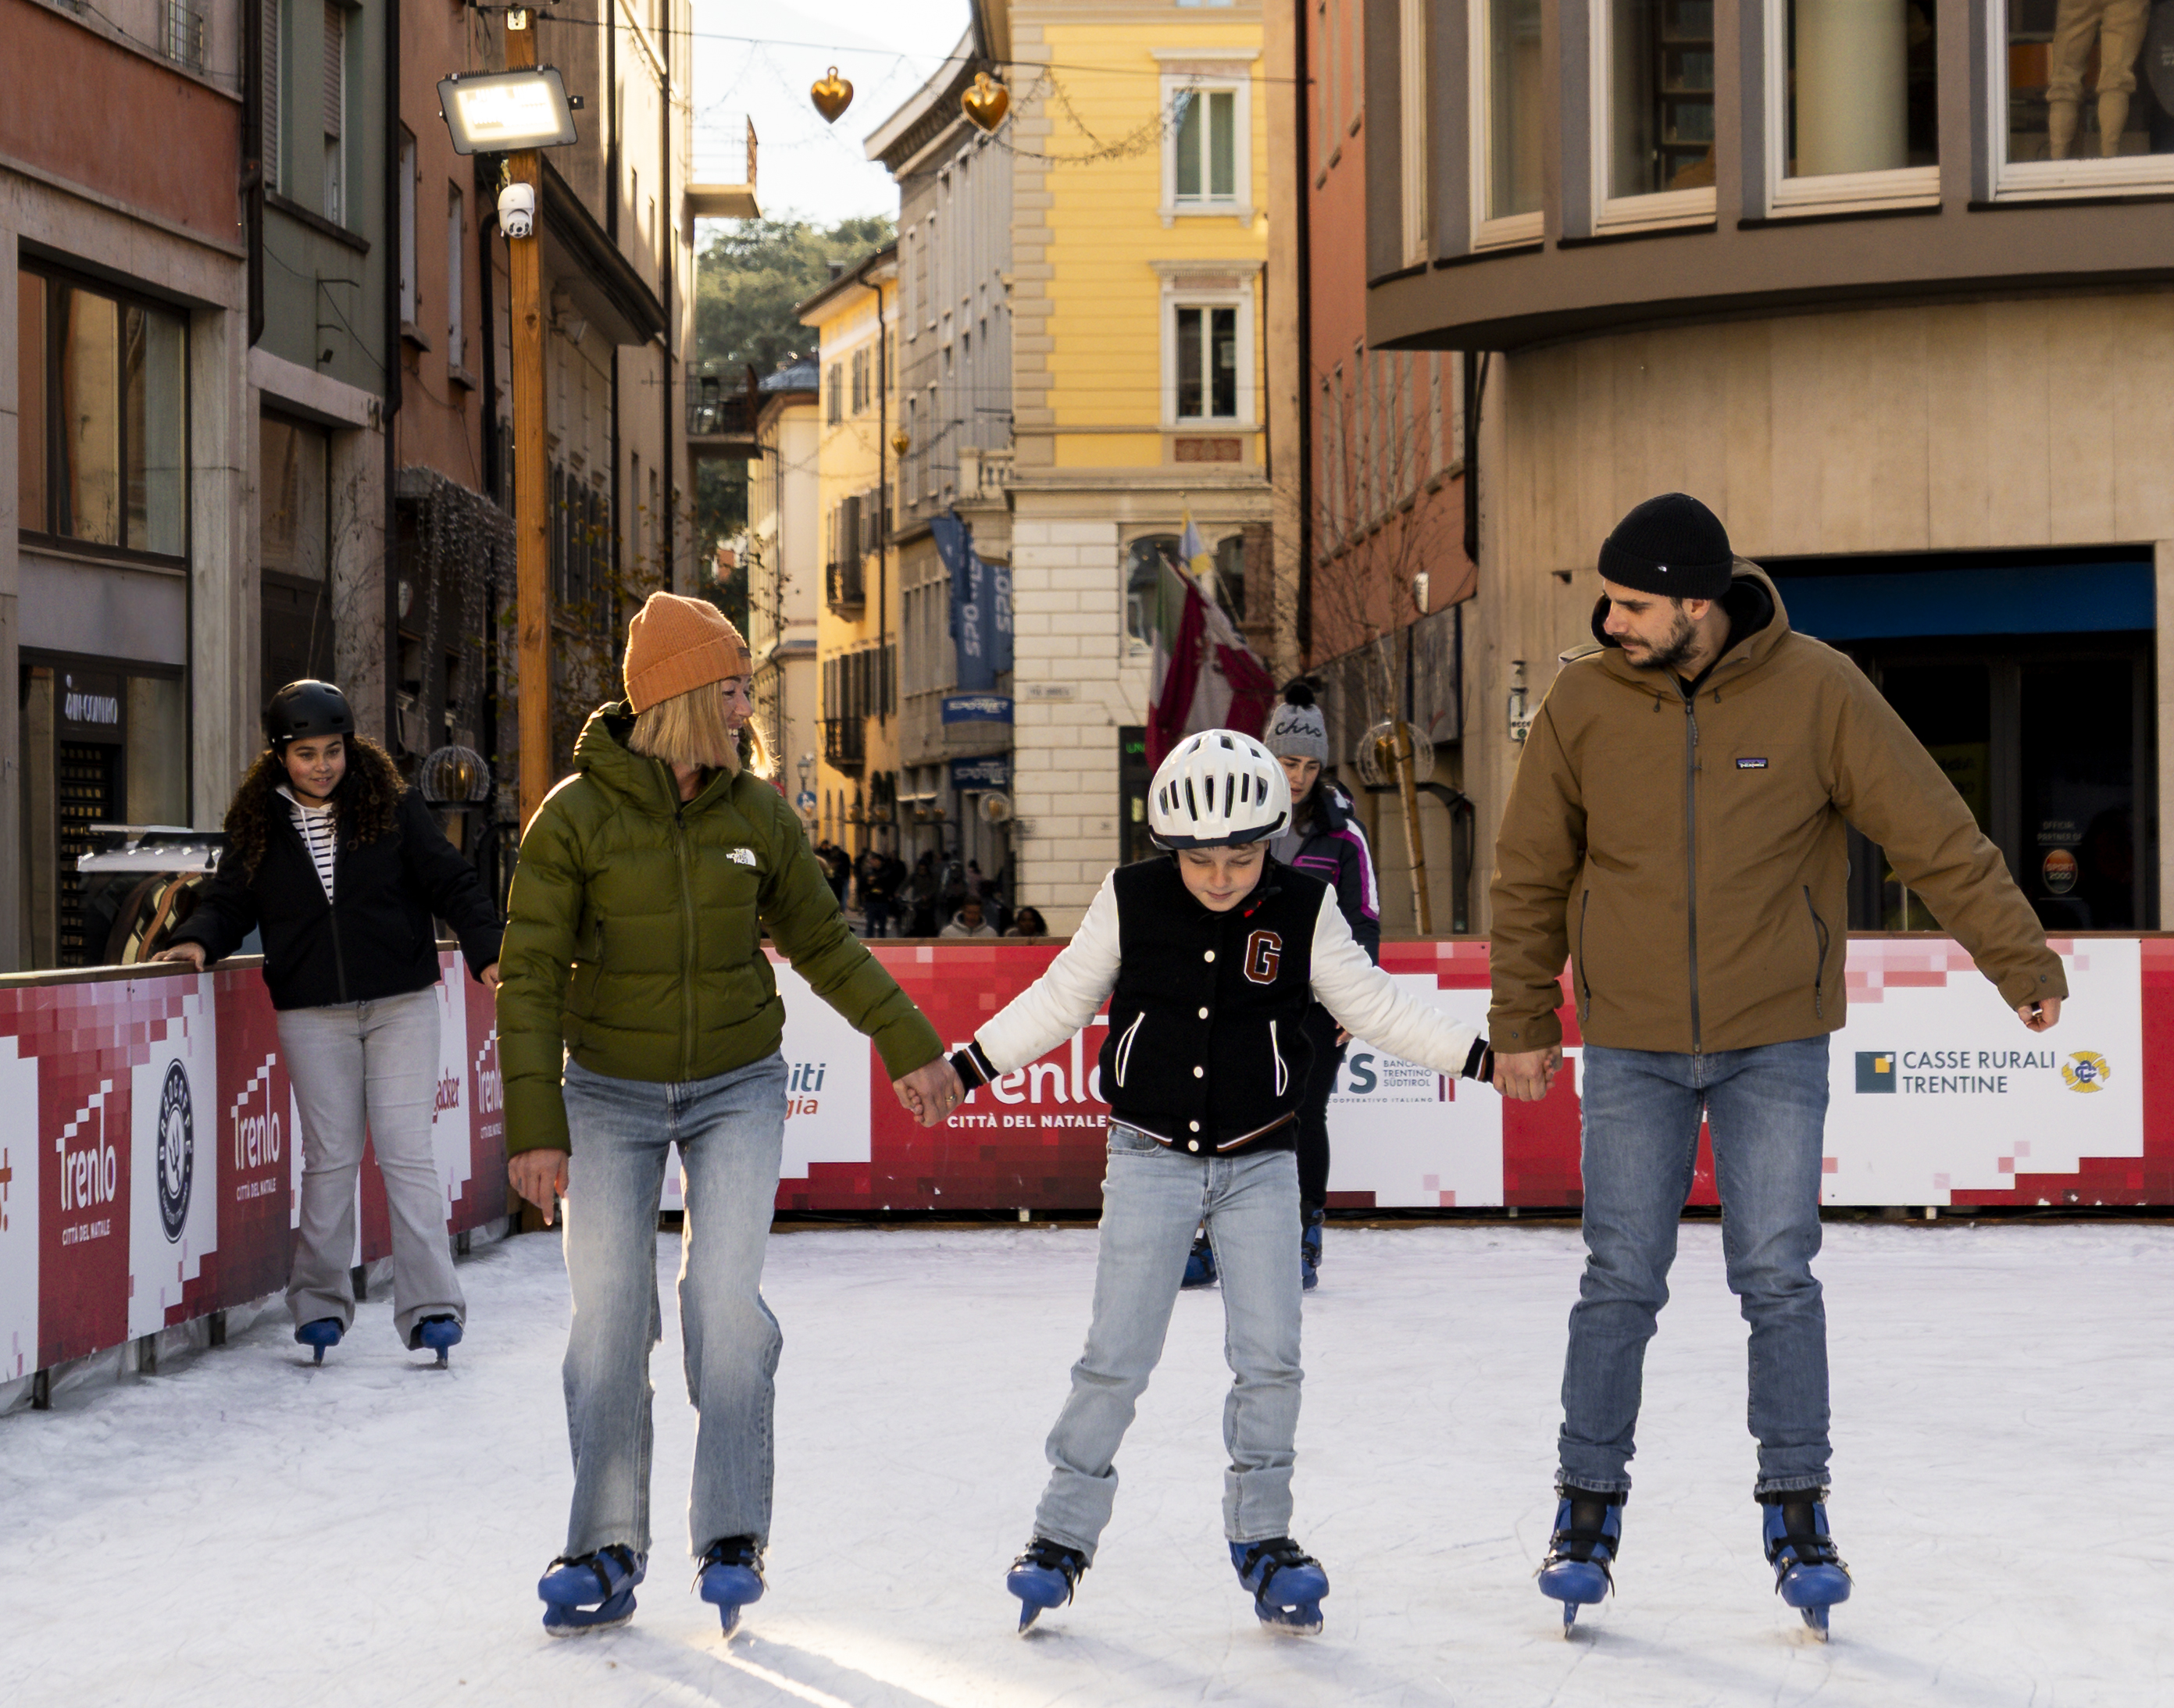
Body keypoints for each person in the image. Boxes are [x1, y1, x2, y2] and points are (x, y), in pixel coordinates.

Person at [1486, 493, 2062, 1635]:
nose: (1611, 620)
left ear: (1698, 602)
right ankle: (1584, 1508)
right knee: (1618, 1280)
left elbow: (1931, 829)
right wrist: (1520, 1018)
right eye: (1609, 599)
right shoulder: (1585, 702)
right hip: (1637, 1043)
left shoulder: (1819, 689)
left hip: (1774, 1039)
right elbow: (1529, 870)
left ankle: (1799, 1509)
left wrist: (2017, 957)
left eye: (1635, 602)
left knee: (1778, 1277)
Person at [945, 727, 1490, 1636]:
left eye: (1243, 855)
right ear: (1171, 845)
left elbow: (1379, 1008)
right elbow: (1059, 998)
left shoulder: (1305, 905)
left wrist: (1480, 1057)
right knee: (1115, 1358)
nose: (1224, 875)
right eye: (1202, 859)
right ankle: (1059, 1536)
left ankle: (1265, 1538)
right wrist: (966, 1067)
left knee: (1270, 1358)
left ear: (1270, 838)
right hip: (1149, 1156)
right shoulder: (1130, 898)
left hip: (1262, 1161)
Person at [499, 590, 954, 1635]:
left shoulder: (758, 817)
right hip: (607, 1090)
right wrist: (536, 1127)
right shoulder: (574, 817)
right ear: (683, 699)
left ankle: (733, 1534)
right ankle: (606, 1545)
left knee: (724, 1305)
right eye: (736, 685)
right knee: (611, 1317)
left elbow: (827, 945)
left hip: (737, 1086)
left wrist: (909, 1043)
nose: (752, 703)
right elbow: (527, 976)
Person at [191, 679, 502, 1366]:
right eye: (306, 754)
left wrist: (487, 948)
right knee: (329, 1159)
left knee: (405, 1153)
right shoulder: (259, 824)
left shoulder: (389, 805)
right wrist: (197, 940)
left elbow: (451, 879)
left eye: (332, 750)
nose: (323, 765)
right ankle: (320, 1306)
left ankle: (433, 1309)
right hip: (312, 1013)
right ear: (280, 756)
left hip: (401, 1003)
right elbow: (228, 902)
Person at [1264, 702, 1380, 1290]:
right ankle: (1215, 1238)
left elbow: (1364, 919)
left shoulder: (1341, 833)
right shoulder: (1242, 814)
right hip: (1251, 994)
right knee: (1235, 1110)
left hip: (1318, 1001)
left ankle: (1306, 1233)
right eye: (1289, 761)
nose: (1299, 775)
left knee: (1304, 1111)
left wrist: (1350, 999)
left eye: (1310, 764)